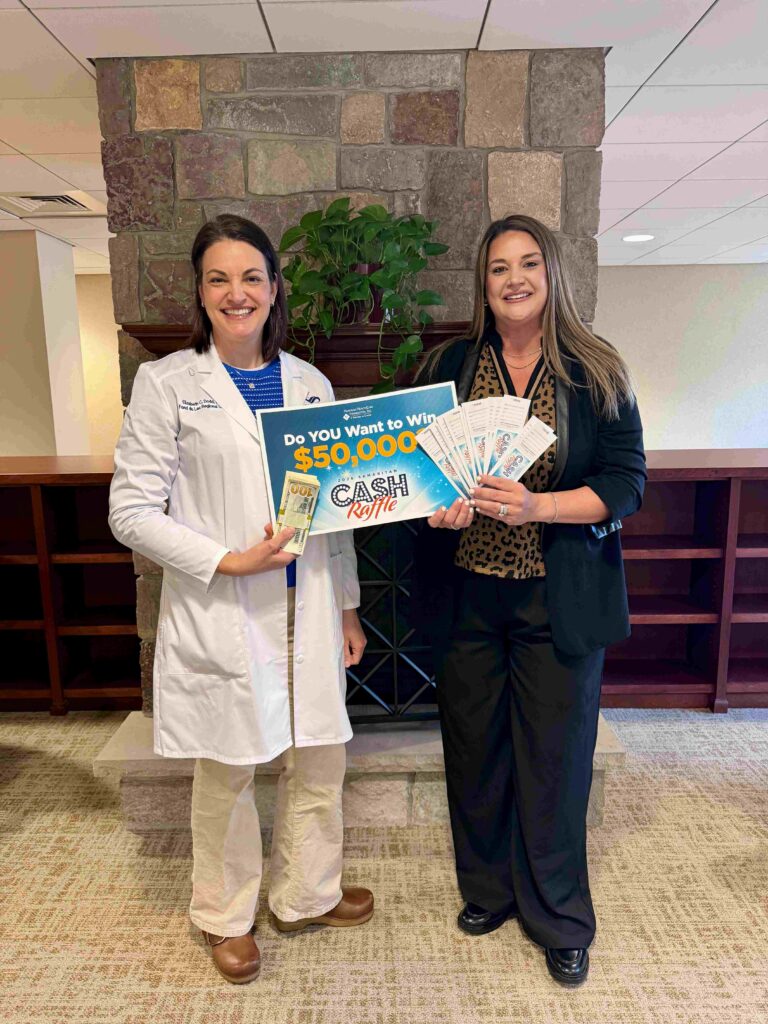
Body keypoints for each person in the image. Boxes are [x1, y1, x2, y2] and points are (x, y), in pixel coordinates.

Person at [109, 214, 372, 985]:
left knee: (320, 754)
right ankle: (225, 914)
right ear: (200, 291)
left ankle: (307, 894)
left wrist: (349, 606)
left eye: (251, 277)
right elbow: (130, 512)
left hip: (309, 604)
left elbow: (338, 505)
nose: (237, 293)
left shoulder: (309, 384)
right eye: (219, 278)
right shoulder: (165, 386)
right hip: (226, 609)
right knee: (228, 767)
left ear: (274, 289)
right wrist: (226, 560)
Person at [412, 213, 646, 986]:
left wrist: (541, 507)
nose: (513, 279)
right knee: (475, 752)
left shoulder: (596, 368)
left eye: (528, 264)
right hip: (469, 595)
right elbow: (415, 475)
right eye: (498, 268)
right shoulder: (445, 363)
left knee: (556, 760)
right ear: (482, 284)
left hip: (559, 598)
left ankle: (559, 915)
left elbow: (626, 481)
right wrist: (435, 506)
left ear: (552, 275)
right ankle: (487, 890)